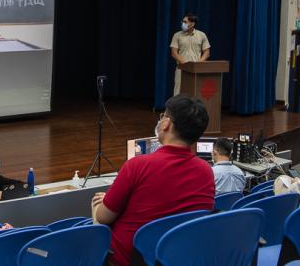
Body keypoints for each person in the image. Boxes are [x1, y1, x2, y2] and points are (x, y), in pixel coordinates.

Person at [90, 95, 215, 266]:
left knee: (97, 210)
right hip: (177, 257)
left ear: (166, 124)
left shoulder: (137, 165)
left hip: (130, 260)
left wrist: (100, 204)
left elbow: (104, 217)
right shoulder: (206, 171)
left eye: (162, 115)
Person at [170, 13, 210, 95]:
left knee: (195, 91)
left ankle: (194, 108)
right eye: (182, 21)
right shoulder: (177, 35)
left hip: (196, 69)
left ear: (192, 24)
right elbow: (174, 53)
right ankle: (177, 108)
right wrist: (186, 65)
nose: (182, 23)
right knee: (178, 91)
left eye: (185, 22)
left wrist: (198, 64)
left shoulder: (202, 35)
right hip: (181, 68)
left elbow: (207, 52)